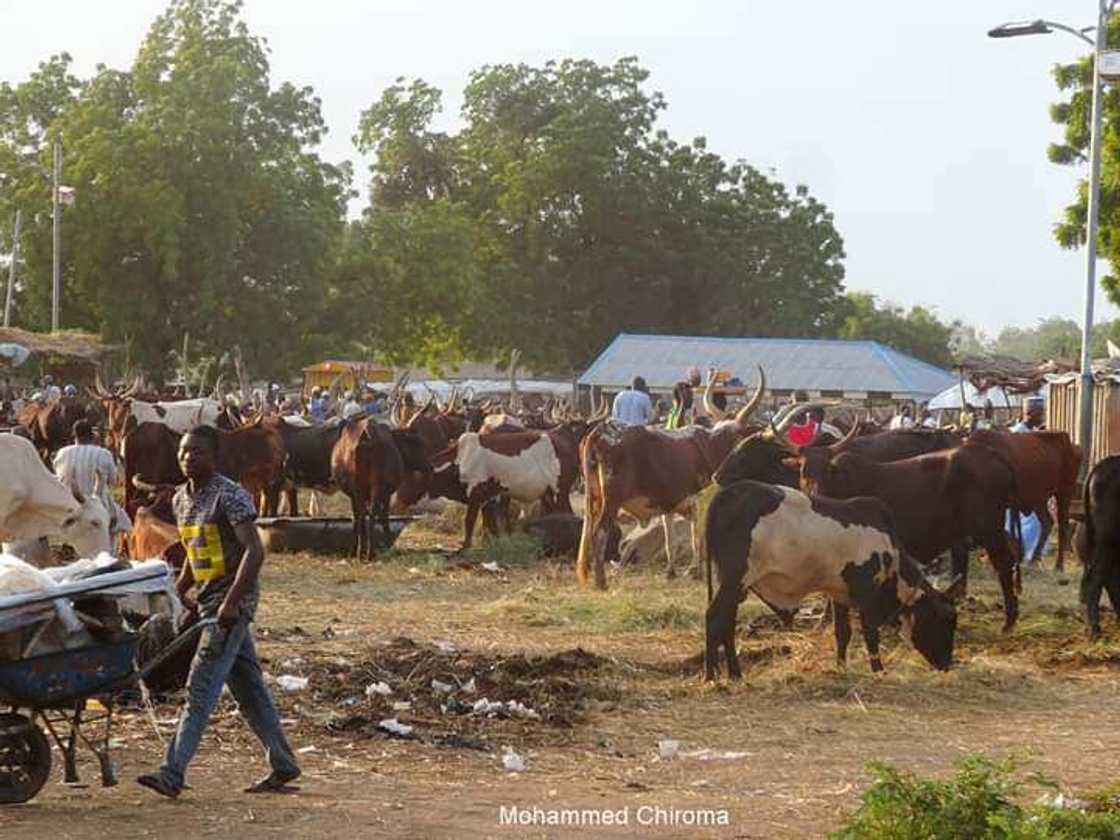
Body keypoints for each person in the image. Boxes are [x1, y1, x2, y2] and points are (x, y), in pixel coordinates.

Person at [137, 426, 300, 799]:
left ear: (215, 456)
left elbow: (254, 552)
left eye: (196, 452)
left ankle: (172, 772)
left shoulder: (231, 495)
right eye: (182, 452)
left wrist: (230, 603)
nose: (187, 458)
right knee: (250, 691)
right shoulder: (181, 499)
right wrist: (180, 592)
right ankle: (284, 763)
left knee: (201, 687)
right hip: (210, 603)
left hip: (231, 605)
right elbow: (199, 552)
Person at [53, 420, 132, 539]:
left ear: (74, 435)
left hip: (66, 507)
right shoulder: (104, 454)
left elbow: (58, 476)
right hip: (97, 505)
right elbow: (113, 482)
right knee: (126, 523)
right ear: (92, 436)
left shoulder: (62, 453)